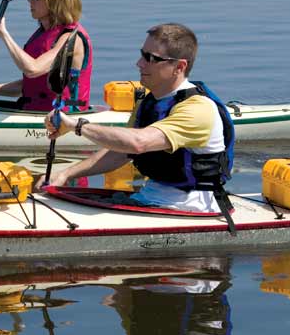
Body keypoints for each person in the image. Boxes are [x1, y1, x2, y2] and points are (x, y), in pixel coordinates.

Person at [38, 23, 235, 213]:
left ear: (179, 66)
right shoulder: (149, 102)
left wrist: (77, 126)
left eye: (151, 58)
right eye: (142, 55)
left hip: (190, 209)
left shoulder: (198, 109)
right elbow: (120, 152)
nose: (139, 63)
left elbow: (138, 143)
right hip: (150, 199)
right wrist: (65, 174)